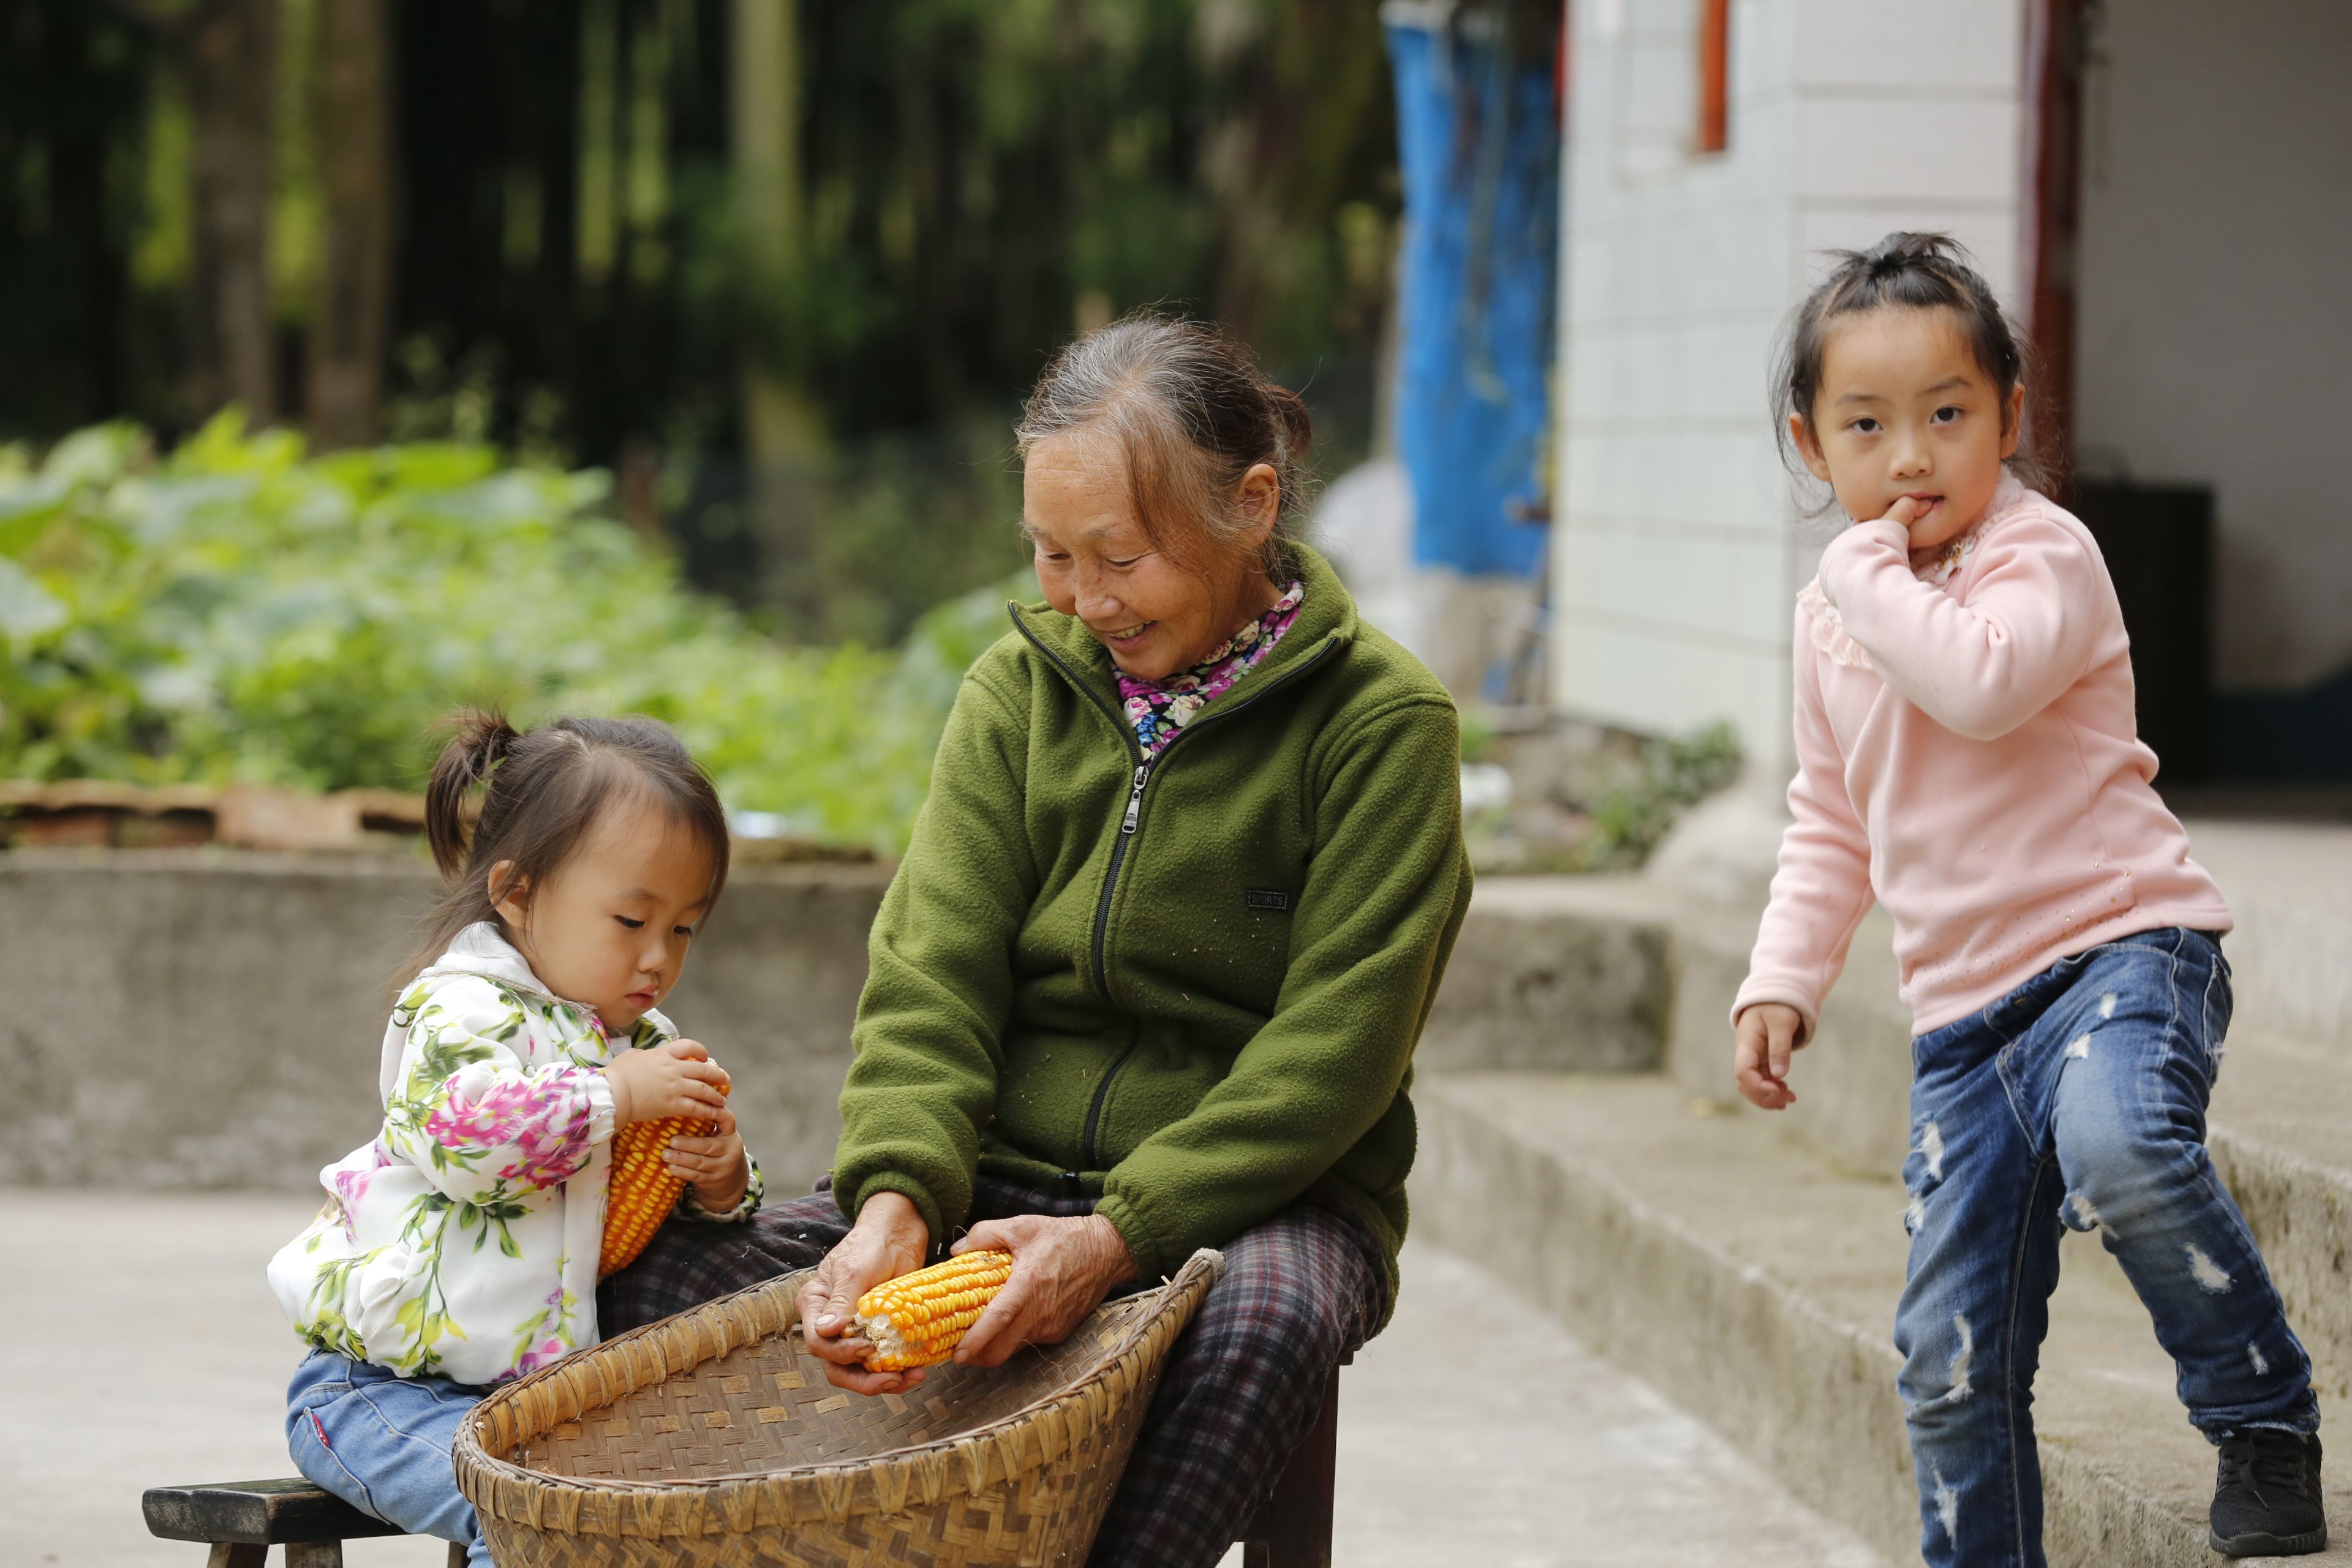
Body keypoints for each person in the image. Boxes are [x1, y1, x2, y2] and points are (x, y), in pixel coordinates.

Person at [601, 313, 1472, 1568]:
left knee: (1259, 1326)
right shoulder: (1017, 693)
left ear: (1251, 505)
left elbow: (1335, 1055)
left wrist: (1116, 1239)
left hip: (1252, 1205)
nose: (1084, 598)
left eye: (1120, 556)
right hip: (997, 1173)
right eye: (1052, 555)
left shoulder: (1383, 727)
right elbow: (931, 974)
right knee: (646, 1291)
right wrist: (896, 1201)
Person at [1730, 232, 2324, 1564]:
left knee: (2123, 1148)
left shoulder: (2042, 553)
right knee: (1946, 1359)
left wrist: (1864, 578)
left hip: (2123, 947)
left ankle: (2261, 1414)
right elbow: (1832, 818)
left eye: (1947, 415)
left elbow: (1982, 684)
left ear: (2009, 415)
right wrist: (1783, 977)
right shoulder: (1835, 619)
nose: (1912, 458)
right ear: (1811, 445)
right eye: (1867, 425)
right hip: (1963, 1025)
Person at [268, 712, 763, 1567]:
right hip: (378, 1395)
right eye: (630, 921)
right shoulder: (458, 1008)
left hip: (537, 1404)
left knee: (641, 1512)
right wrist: (614, 1095)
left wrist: (721, 1179)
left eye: (683, 928)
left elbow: (648, 1213)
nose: (658, 958)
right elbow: (470, 1148)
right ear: (518, 894)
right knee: (529, 1512)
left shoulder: (641, 1045)